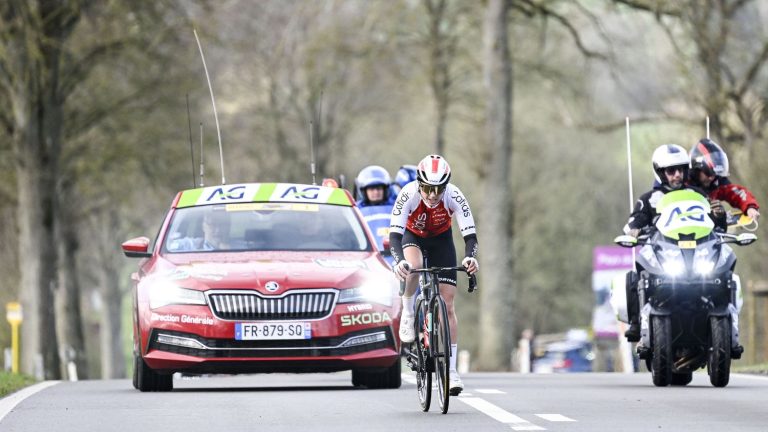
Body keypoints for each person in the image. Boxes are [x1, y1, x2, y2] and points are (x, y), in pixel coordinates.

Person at [389, 154, 479, 395]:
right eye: (427, 188)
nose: (432, 195)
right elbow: (395, 236)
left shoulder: (454, 195)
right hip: (412, 237)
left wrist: (470, 257)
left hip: (441, 241)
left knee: (448, 304)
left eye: (438, 189)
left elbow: (469, 235)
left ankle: (451, 371)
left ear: (446, 187)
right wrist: (399, 262)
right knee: (413, 267)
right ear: (420, 184)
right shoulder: (408, 194)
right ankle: (408, 311)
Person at [622, 144, 726, 341]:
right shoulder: (649, 199)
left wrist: (719, 216)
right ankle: (636, 323)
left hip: (697, 252)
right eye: (671, 171)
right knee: (634, 277)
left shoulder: (699, 195)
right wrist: (634, 230)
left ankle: (728, 322)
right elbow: (634, 220)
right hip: (663, 253)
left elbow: (716, 227)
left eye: (681, 169)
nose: (677, 174)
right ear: (661, 173)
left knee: (726, 270)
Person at [688, 138, 760, 222]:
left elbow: (736, 193)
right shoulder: (683, 184)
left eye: (714, 174)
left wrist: (750, 207)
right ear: (696, 170)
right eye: (708, 172)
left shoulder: (716, 182)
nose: (712, 177)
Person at [355, 165, 397, 261]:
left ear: (385, 189)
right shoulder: (356, 210)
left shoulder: (398, 206)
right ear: (364, 191)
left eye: (378, 188)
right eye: (371, 189)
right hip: (368, 258)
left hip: (395, 257)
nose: (376, 192)